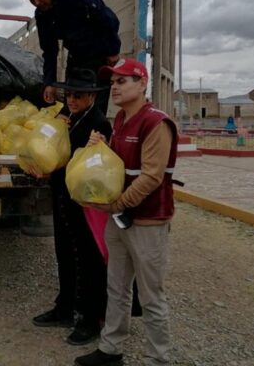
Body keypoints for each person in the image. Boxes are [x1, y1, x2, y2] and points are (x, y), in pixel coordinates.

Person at [75, 58, 178, 366]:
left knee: (150, 294)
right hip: (120, 219)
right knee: (117, 286)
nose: (115, 87)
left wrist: (115, 205)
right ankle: (111, 348)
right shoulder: (119, 119)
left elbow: (151, 177)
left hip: (148, 221)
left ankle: (157, 358)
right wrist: (101, 146)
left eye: (122, 81)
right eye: (112, 82)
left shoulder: (156, 122)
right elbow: (119, 165)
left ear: (142, 83)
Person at [31, 68, 113, 345]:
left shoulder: (99, 123)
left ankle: (90, 318)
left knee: (88, 259)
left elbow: (94, 165)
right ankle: (65, 307)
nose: (72, 100)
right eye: (69, 95)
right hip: (62, 196)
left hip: (84, 204)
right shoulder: (67, 117)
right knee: (64, 253)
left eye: (78, 96)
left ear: (91, 96)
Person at [22, 0, 121, 115]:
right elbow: (49, 50)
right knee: (72, 102)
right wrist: (49, 83)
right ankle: (72, 128)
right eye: (31, 0)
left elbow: (109, 20)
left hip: (99, 55)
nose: (36, 2)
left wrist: (113, 50)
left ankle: (95, 128)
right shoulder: (42, 15)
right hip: (75, 57)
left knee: (96, 104)